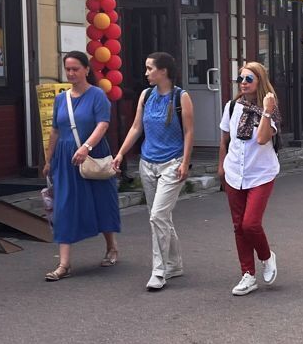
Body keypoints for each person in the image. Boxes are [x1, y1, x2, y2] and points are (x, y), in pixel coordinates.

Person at [111, 52, 194, 291]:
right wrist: (121, 153)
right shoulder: (146, 95)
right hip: (147, 163)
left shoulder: (181, 97)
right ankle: (175, 263)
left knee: (157, 215)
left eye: (150, 68)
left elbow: (189, 131)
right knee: (160, 217)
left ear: (164, 71)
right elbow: (137, 127)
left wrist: (185, 162)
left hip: (172, 163)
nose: (146, 73)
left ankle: (159, 271)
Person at [41, 52, 120, 281]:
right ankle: (64, 264)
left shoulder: (97, 96)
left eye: (76, 68)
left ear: (87, 69)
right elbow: (55, 130)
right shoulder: (61, 99)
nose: (71, 73)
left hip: (93, 155)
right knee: (63, 206)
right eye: (68, 69)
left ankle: (111, 246)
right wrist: (48, 159)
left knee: (101, 201)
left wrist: (86, 147)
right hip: (65, 160)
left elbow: (103, 124)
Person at [218, 62, 281, 296]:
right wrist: (221, 167)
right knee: (238, 226)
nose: (243, 83)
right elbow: (225, 139)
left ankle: (266, 256)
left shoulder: (270, 108)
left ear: (259, 82)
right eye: (240, 79)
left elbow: (263, 138)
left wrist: (265, 110)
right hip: (234, 171)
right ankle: (248, 275)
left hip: (261, 173)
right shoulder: (232, 106)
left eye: (248, 79)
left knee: (250, 223)